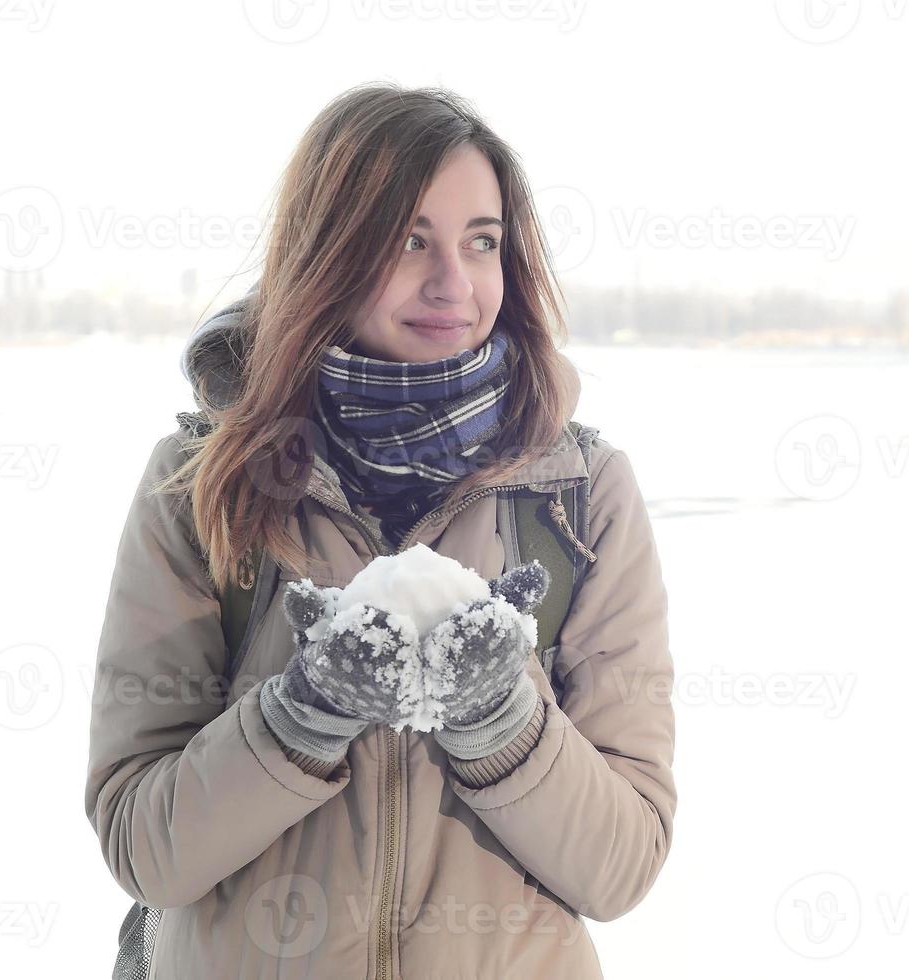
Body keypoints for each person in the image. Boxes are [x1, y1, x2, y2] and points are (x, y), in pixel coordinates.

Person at [83, 82, 676, 979]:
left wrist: (499, 717)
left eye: (482, 242)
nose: (453, 282)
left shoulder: (579, 496)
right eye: (408, 240)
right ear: (328, 249)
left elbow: (622, 864)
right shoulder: (201, 485)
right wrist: (302, 713)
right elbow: (145, 847)